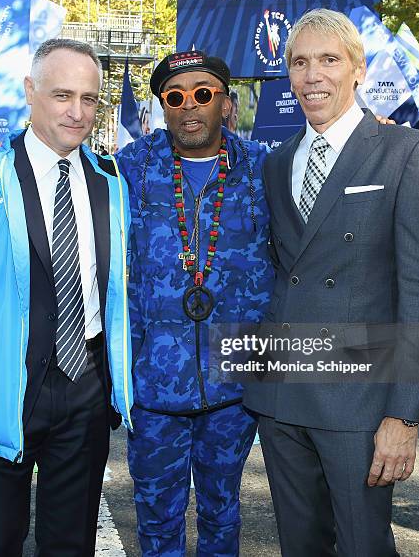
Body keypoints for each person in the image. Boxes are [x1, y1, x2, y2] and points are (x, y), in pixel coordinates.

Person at [0, 38, 133, 556]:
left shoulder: (113, 183)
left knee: (71, 545)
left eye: (89, 98)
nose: (77, 112)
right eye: (62, 95)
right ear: (29, 91)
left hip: (86, 390)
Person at [244, 9, 419, 556]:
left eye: (329, 60)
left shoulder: (407, 153)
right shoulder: (276, 162)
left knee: (363, 547)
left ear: (357, 68)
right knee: (299, 547)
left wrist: (404, 415)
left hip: (358, 403)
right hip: (283, 396)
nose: (313, 76)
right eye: (299, 62)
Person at [116, 51, 275, 555]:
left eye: (203, 94)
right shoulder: (126, 170)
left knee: (222, 512)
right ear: (162, 104)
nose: (190, 106)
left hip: (234, 386)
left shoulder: (264, 170)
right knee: (158, 519)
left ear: (225, 103)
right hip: (154, 389)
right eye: (175, 96)